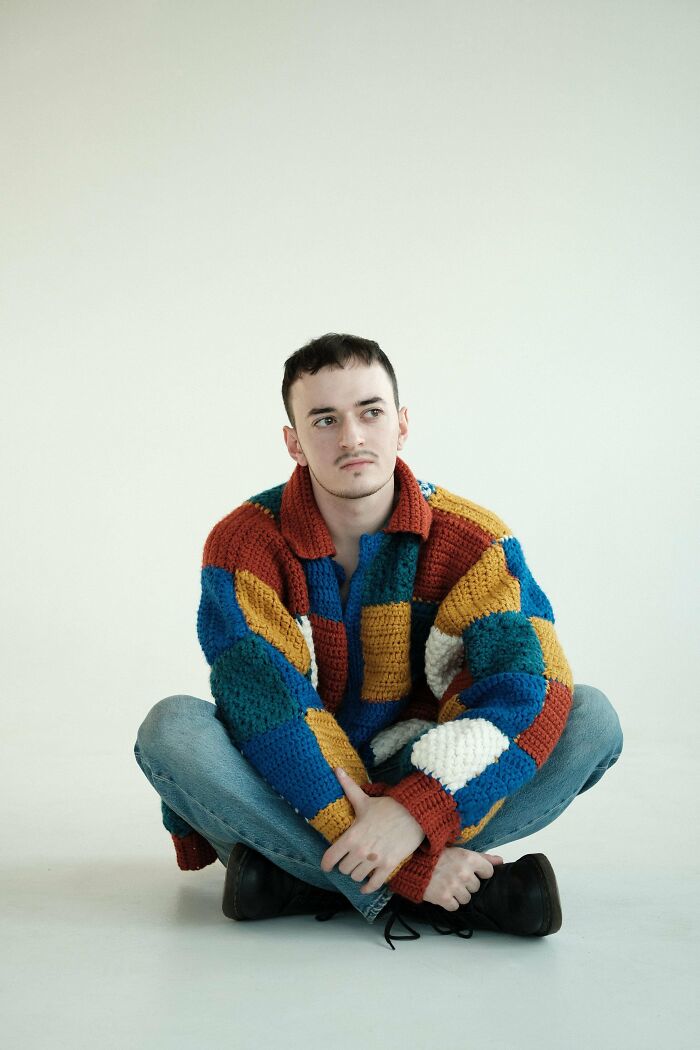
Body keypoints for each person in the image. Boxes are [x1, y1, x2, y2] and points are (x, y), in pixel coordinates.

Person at [134, 333, 623, 948]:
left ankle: (300, 878)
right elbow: (269, 709)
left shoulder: (473, 538)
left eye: (370, 412)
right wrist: (411, 860)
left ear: (402, 423)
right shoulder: (244, 544)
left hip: (432, 763)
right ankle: (430, 888)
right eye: (325, 420)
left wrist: (413, 810)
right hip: (296, 779)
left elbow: (526, 686)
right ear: (293, 440)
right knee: (171, 729)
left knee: (589, 717)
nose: (352, 438)